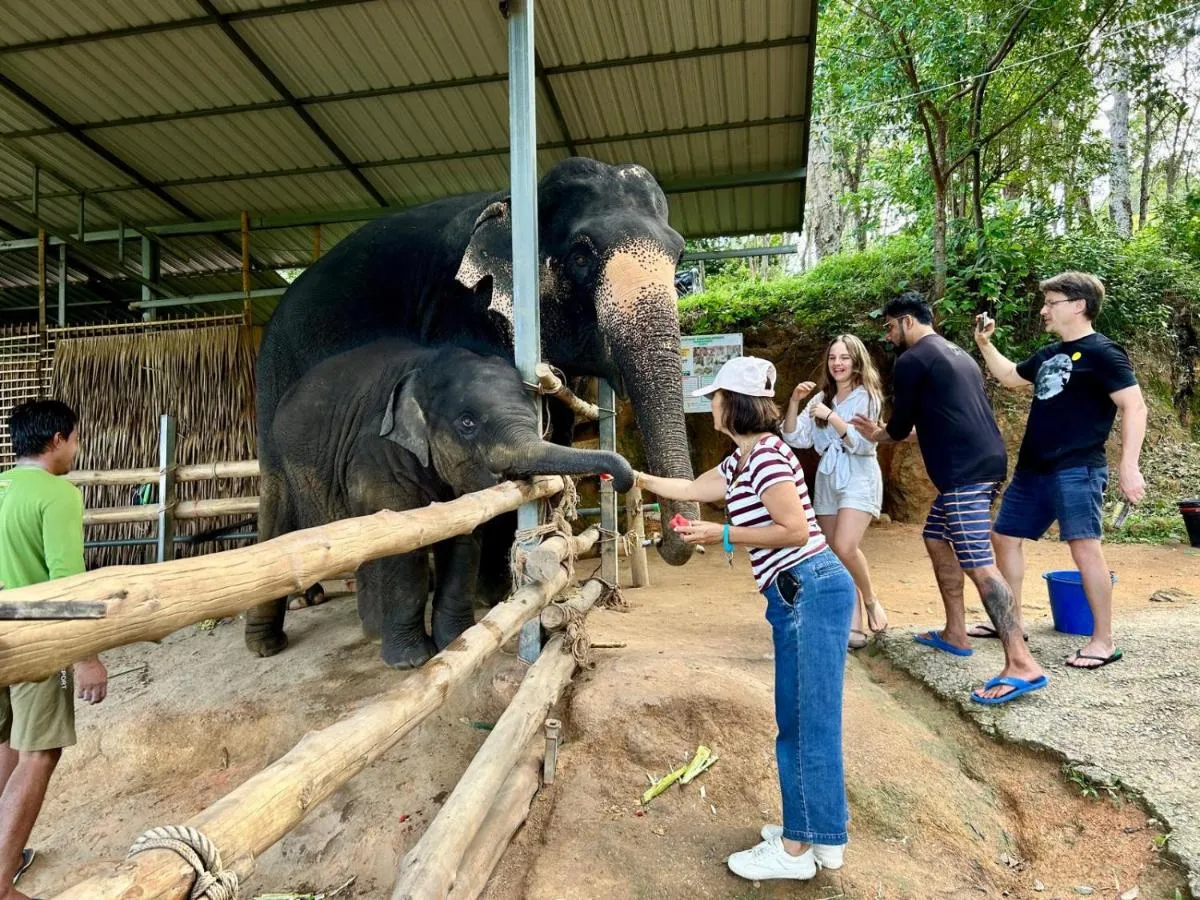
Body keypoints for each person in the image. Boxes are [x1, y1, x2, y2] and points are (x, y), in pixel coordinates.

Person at [634, 356, 856, 882]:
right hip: (800, 593)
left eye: (714, 396)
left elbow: (796, 530)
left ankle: (795, 853)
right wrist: (635, 476)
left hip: (810, 590)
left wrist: (723, 535)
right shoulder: (742, 459)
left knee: (802, 725)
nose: (709, 404)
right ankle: (824, 838)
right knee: (811, 720)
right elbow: (692, 489)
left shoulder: (769, 461)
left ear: (732, 403)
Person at [850, 292, 1047, 704]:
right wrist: (889, 432)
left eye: (889, 327)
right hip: (984, 465)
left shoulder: (914, 359)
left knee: (979, 564)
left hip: (964, 475)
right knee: (936, 536)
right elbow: (944, 420)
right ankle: (956, 632)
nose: (888, 337)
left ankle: (1021, 662)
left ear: (906, 322)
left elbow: (901, 427)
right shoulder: (956, 354)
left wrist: (879, 433)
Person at [974, 272, 1147, 669]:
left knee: (1084, 547)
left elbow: (1134, 406)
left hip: (1077, 467)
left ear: (1078, 305)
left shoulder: (1104, 352)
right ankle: (1011, 622)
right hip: (1033, 468)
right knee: (1003, 536)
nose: (1044, 309)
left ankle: (1103, 641)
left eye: (1051, 302)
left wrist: (1129, 465)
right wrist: (985, 343)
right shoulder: (1050, 354)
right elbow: (1008, 376)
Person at [0, 400, 107, 900]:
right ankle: (1, 880)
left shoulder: (1, 486)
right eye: (76, 438)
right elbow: (66, 583)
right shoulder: (57, 495)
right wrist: (85, 657)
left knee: (5, 744)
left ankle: (4, 857)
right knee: (40, 751)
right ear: (57, 439)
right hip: (37, 640)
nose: (77, 449)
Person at [782, 334, 888, 650]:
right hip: (829, 478)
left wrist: (832, 418)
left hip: (858, 474)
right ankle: (852, 623)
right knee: (834, 552)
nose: (838, 364)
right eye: (832, 358)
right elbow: (794, 437)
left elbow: (864, 443)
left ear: (856, 361)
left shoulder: (867, 396)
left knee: (845, 544)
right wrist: (795, 402)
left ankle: (870, 600)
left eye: (844, 357)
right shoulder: (821, 399)